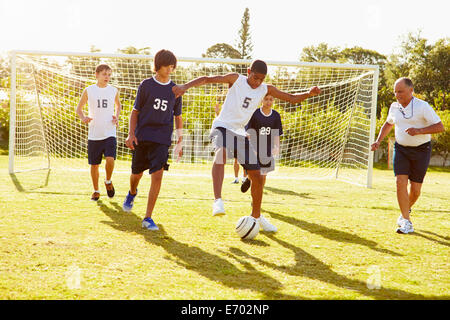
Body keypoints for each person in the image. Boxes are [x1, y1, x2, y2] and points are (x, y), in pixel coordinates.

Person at [173, 60, 320, 233]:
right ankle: (218, 200)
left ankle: (257, 217)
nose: (257, 82)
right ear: (248, 71)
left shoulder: (266, 89)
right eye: (255, 77)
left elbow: (292, 99)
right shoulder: (236, 79)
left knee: (257, 176)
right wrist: (185, 87)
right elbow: (206, 79)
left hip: (240, 133)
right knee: (221, 152)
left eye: (261, 79)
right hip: (222, 126)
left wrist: (309, 94)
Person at [371, 77, 444, 234]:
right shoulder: (394, 107)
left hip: (421, 150)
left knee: (416, 190)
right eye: (395, 92)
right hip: (401, 149)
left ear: (411, 91)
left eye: (401, 91)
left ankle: (405, 210)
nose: (397, 95)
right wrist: (378, 141)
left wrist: (418, 131)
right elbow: (388, 123)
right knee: (400, 182)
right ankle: (406, 221)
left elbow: (440, 126)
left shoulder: (422, 106)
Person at [122, 49, 183, 231]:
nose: (170, 70)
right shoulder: (146, 85)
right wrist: (131, 134)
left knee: (157, 175)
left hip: (162, 138)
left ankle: (148, 217)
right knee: (137, 174)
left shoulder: (176, 90)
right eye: (167, 66)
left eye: (173, 66)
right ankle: (132, 192)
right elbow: (135, 112)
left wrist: (179, 141)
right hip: (143, 136)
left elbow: (178, 117)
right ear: (158, 66)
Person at [76, 64, 121, 201]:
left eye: (109, 74)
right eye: (104, 74)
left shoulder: (114, 90)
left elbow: (118, 105)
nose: (107, 77)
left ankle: (108, 181)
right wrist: (84, 118)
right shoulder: (89, 90)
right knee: (94, 165)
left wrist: (116, 116)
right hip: (94, 134)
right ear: (97, 74)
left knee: (110, 159)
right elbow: (79, 109)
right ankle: (96, 191)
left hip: (109, 132)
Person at [241, 93, 282, 202]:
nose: (268, 102)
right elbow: (248, 131)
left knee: (263, 176)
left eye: (271, 99)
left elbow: (276, 133)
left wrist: (277, 147)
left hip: (267, 150)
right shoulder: (255, 113)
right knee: (254, 175)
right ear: (262, 100)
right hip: (254, 148)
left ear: (273, 101)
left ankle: (257, 199)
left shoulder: (276, 116)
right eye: (266, 99)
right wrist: (250, 147)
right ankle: (249, 180)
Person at [214, 103, 246, 184]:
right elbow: (221, 121)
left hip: (242, 136)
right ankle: (236, 178)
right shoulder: (230, 114)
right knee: (236, 159)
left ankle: (245, 178)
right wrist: (217, 112)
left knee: (245, 160)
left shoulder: (243, 113)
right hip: (233, 137)